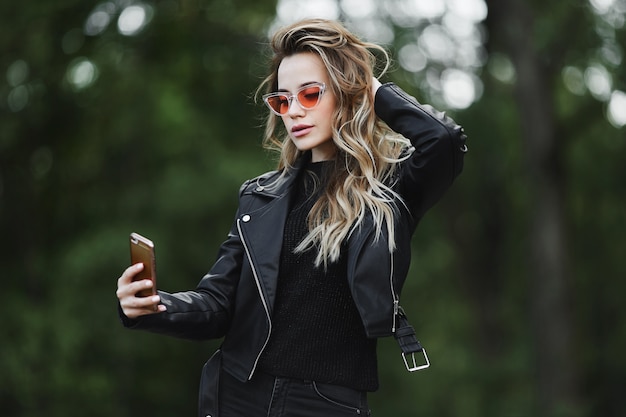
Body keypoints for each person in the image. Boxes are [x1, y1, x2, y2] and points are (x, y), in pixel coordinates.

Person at [116, 18, 467, 417]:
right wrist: (153, 306)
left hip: (328, 404)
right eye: (283, 100)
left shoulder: (390, 186)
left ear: (345, 92)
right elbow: (218, 304)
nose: (294, 111)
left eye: (311, 94)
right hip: (238, 395)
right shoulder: (259, 197)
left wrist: (371, 89)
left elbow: (443, 141)